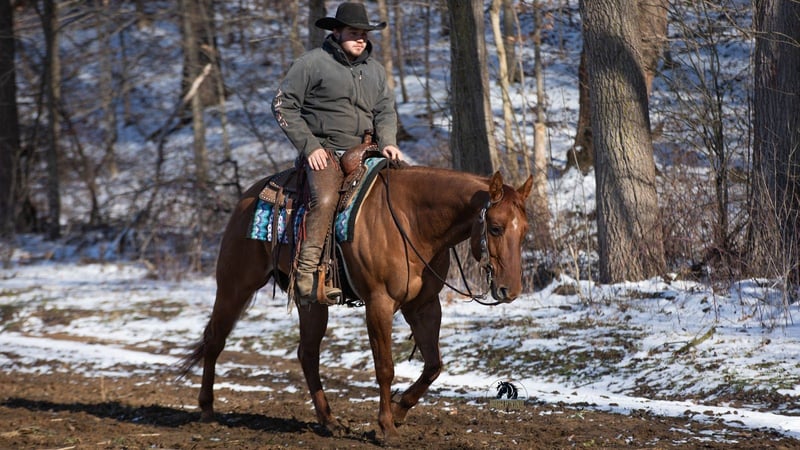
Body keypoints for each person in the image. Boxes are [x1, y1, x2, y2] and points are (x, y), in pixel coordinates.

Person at [272, 2, 403, 305]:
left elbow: (385, 111)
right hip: (325, 151)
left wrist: (388, 140)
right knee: (326, 199)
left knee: (404, 188)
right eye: (354, 33)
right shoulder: (312, 63)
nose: (361, 39)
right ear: (337, 32)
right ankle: (306, 273)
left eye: (364, 34)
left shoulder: (375, 70)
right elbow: (283, 106)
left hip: (367, 150)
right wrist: (310, 147)